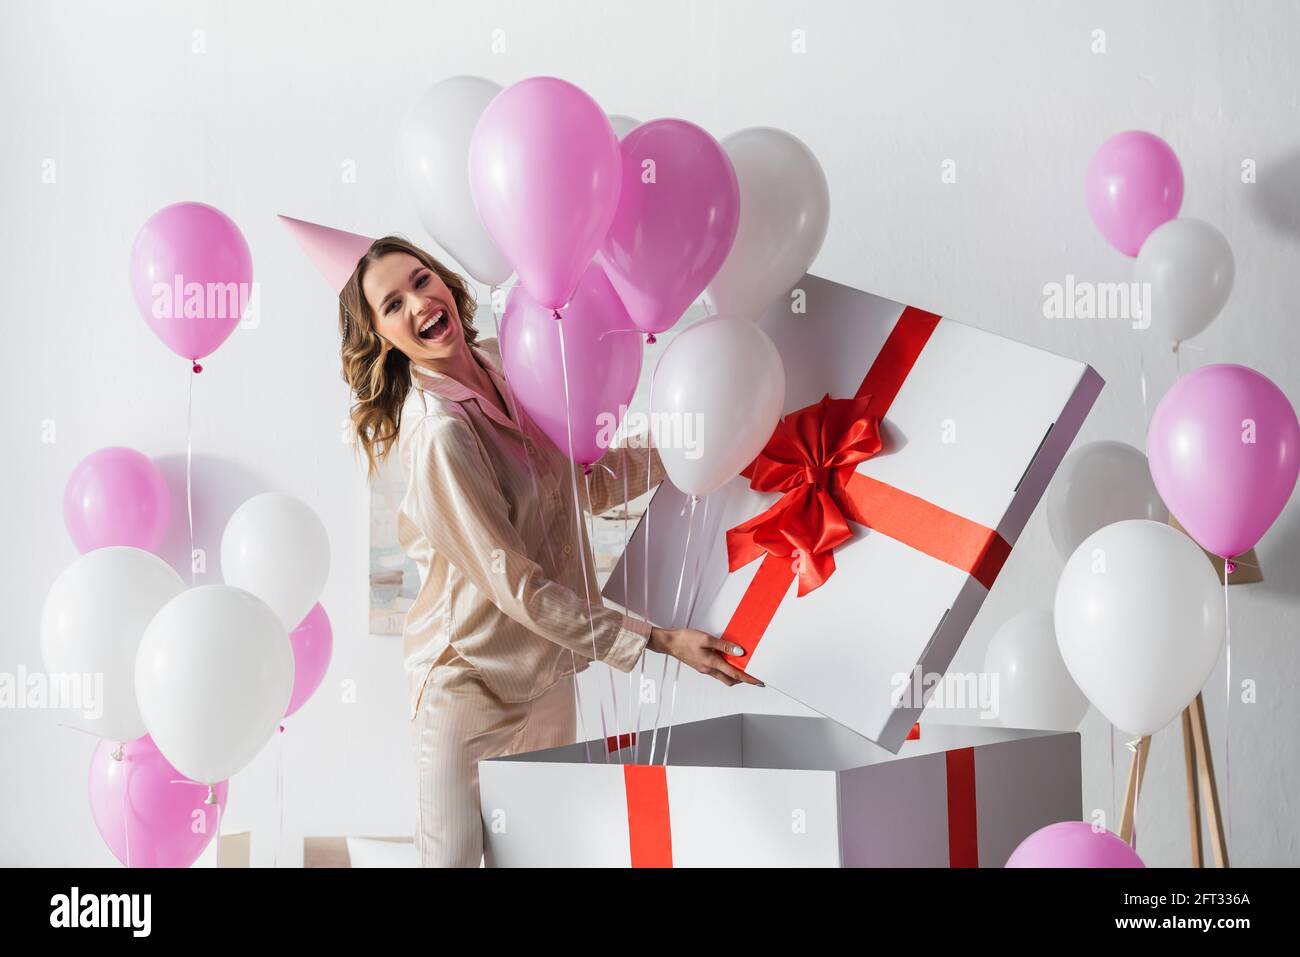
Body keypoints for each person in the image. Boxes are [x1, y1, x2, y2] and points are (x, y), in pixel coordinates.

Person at [280, 216, 759, 867]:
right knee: (449, 862)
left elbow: (579, 482)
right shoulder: (439, 437)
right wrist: (656, 639)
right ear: (382, 337)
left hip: (547, 676)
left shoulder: (508, 362)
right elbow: (518, 585)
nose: (420, 303)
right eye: (393, 304)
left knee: (546, 855)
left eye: (421, 280)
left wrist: (696, 443)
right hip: (468, 690)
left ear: (443, 279)